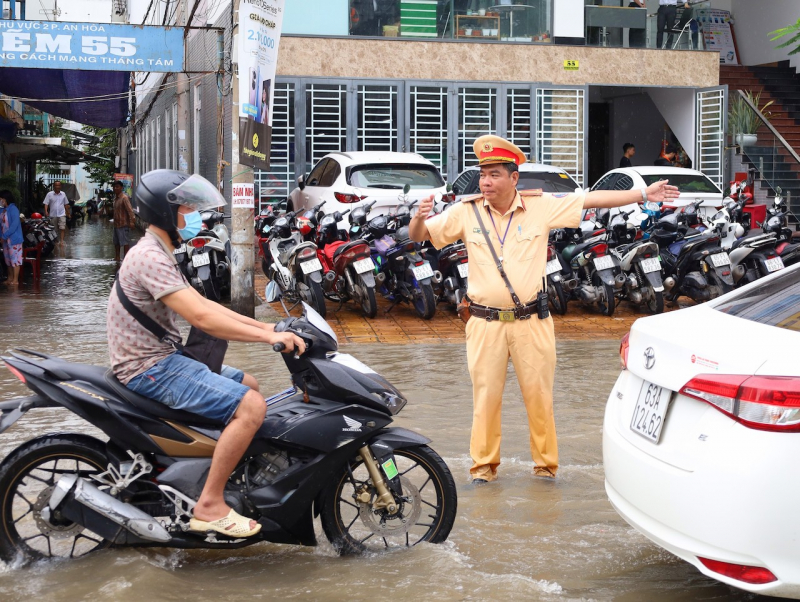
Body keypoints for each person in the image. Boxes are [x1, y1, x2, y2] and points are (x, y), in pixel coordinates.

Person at [409, 135, 679, 484]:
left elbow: (589, 199)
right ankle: (483, 469)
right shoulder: (467, 211)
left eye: (493, 174)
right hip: (484, 323)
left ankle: (545, 469)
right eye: (483, 174)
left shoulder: (541, 206)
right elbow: (421, 236)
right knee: (485, 399)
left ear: (513, 177)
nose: (485, 181)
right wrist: (419, 217)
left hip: (531, 322)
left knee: (539, 397)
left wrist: (643, 194)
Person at [107, 170, 305, 537]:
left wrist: (271, 327)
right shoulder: (149, 256)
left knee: (251, 383)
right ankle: (210, 504)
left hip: (161, 360)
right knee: (252, 407)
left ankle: (213, 471)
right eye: (189, 208)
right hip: (150, 367)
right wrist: (265, 337)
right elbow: (202, 319)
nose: (196, 215)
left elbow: (205, 305)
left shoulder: (161, 251)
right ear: (165, 213)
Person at [0, 190, 23, 285]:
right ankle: (10, 278)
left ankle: (15, 280)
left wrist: (5, 236)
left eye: (1, 199)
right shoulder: (2, 210)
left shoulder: (13, 209)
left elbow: (14, 225)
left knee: (15, 259)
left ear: (5, 199)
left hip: (13, 239)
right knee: (8, 259)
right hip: (5, 239)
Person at [112, 180, 136, 261]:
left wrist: (132, 221)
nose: (115, 188)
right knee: (116, 243)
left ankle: (126, 259)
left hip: (123, 224)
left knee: (125, 242)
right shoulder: (115, 199)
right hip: (116, 224)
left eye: (117, 187)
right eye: (114, 187)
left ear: (121, 188)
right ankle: (117, 258)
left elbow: (130, 210)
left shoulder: (124, 198)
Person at [42, 180, 70, 247]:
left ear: (61, 186)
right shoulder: (49, 194)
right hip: (53, 214)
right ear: (54, 186)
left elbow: (66, 204)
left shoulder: (63, 194)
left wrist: (68, 213)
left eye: (59, 185)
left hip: (62, 214)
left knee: (62, 228)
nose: (58, 186)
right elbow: (46, 203)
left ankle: (62, 241)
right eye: (56, 185)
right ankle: (56, 241)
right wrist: (46, 211)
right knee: (54, 229)